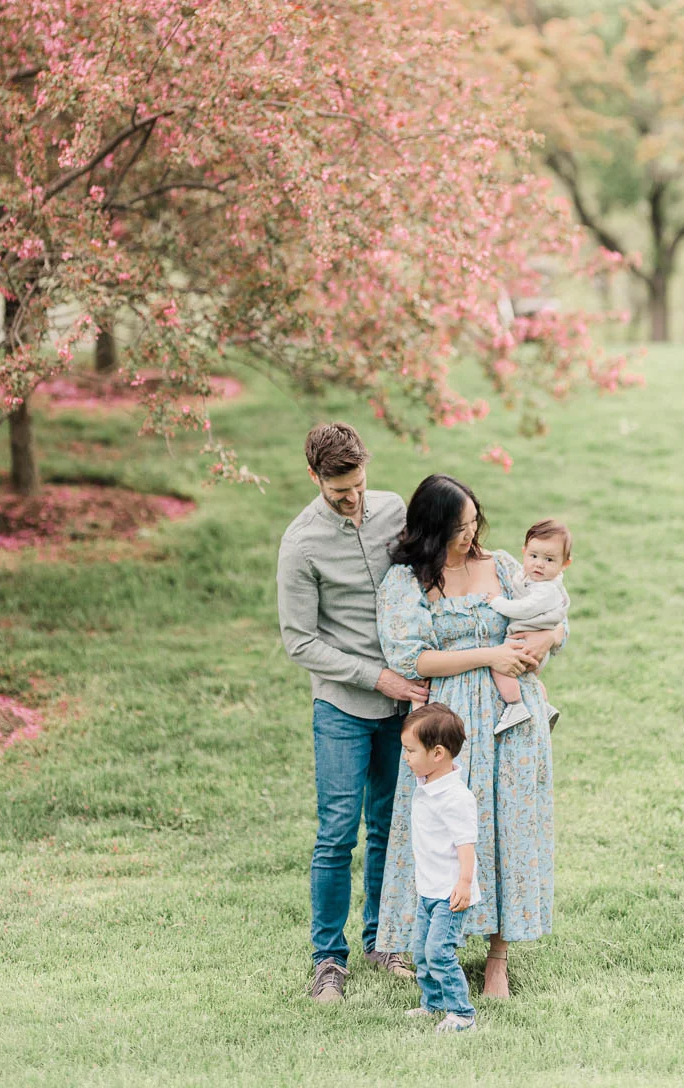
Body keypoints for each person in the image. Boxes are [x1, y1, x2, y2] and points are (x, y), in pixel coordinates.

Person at [374, 474, 567, 998]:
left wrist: (542, 644)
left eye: (474, 521)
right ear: (433, 530)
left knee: (511, 825)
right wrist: (490, 655)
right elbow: (410, 658)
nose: (470, 533)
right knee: (448, 831)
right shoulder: (407, 582)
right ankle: (441, 947)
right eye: (459, 527)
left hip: (514, 718)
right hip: (449, 725)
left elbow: (554, 614)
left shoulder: (503, 566)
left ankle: (498, 959)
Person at [277, 422, 425, 1003]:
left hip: (403, 706)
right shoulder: (301, 543)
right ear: (314, 476)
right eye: (340, 490)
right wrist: (376, 676)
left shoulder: (393, 511)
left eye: (359, 485)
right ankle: (327, 960)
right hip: (342, 704)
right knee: (338, 833)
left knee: (390, 826)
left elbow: (432, 569)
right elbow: (299, 641)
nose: (353, 497)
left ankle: (383, 940)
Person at [400, 702, 480, 1034]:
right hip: (428, 890)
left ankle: (462, 1013)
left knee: (438, 952)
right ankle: (432, 1004)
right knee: (421, 950)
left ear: (437, 754)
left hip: (450, 892)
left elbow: (466, 845)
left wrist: (464, 883)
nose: (405, 757)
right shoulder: (427, 785)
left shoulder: (455, 798)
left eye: (410, 750)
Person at [486, 519, 572, 735]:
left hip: (527, 642)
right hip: (529, 639)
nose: (539, 564)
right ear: (524, 552)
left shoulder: (547, 590)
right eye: (533, 556)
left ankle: (515, 706)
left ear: (565, 564)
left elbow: (523, 608)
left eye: (549, 559)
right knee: (527, 679)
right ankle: (543, 705)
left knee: (499, 667)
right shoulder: (531, 578)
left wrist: (496, 602)